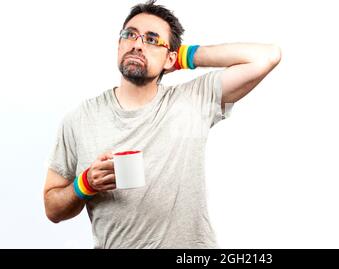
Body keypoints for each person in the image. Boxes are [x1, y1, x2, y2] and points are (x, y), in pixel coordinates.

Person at [43, 0, 281, 249]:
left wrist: (183, 56)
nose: (136, 44)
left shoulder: (193, 99)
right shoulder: (79, 119)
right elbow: (52, 208)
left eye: (151, 39)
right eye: (130, 35)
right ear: (118, 44)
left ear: (171, 58)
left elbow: (267, 56)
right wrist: (85, 184)